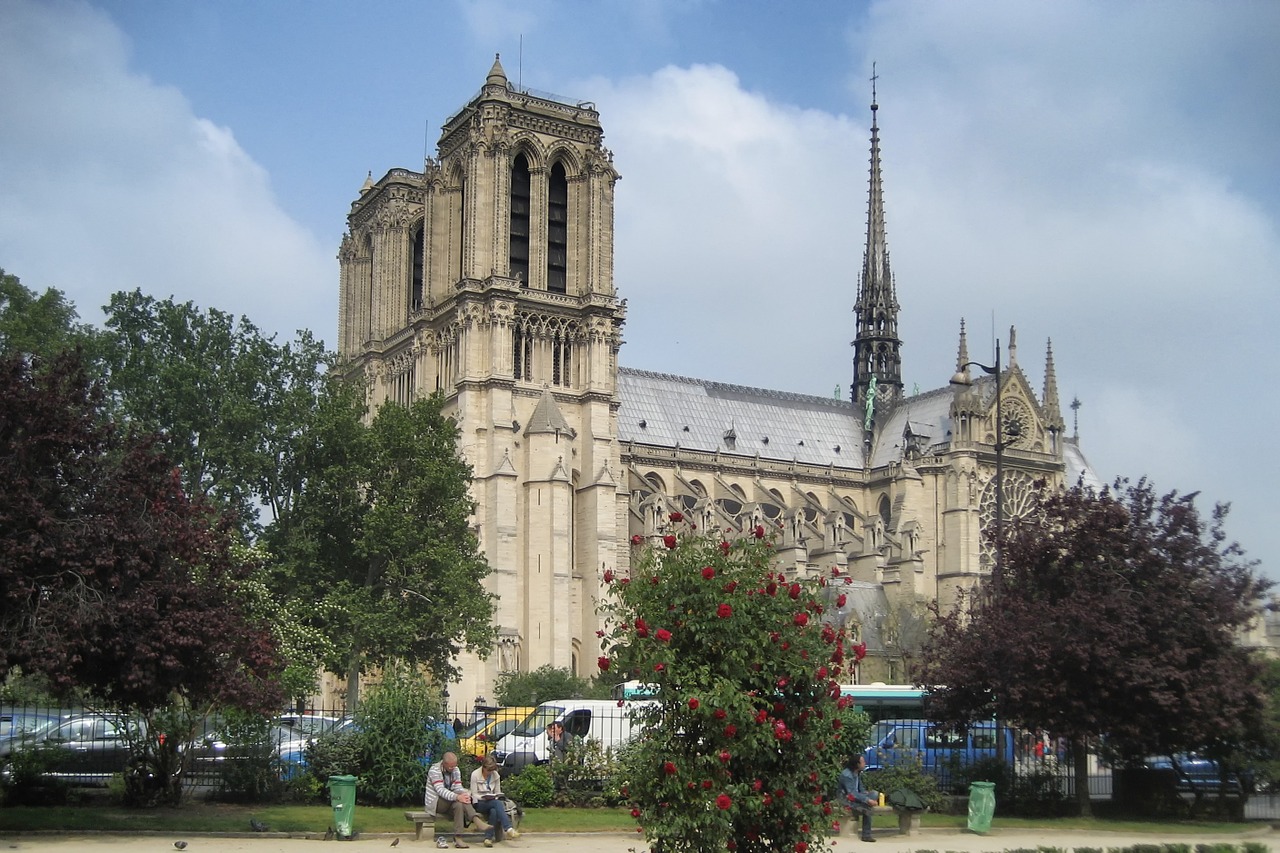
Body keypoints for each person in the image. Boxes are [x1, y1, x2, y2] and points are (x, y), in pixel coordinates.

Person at [426, 751, 490, 848]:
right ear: (444, 763)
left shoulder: (456, 769)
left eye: (454, 766)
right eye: (450, 767)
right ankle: (476, 820)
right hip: (436, 802)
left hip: (451, 801)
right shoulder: (434, 770)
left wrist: (466, 794)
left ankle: (458, 838)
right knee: (459, 800)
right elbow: (440, 790)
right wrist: (457, 797)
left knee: (459, 804)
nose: (453, 768)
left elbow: (457, 787)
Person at [470, 755, 519, 847]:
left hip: (492, 802)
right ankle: (508, 828)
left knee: (494, 811)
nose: (490, 772)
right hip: (479, 803)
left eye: (492, 770)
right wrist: (483, 797)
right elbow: (474, 794)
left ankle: (488, 838)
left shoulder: (495, 775)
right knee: (496, 804)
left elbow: (497, 792)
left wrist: (495, 796)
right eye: (488, 770)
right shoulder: (475, 774)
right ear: (483, 767)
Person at [837, 754, 879, 843]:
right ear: (857, 764)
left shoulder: (857, 772)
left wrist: (866, 794)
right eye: (863, 762)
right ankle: (866, 835)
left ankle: (866, 803)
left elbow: (861, 788)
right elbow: (851, 793)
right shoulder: (847, 775)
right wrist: (867, 800)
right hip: (847, 799)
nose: (865, 763)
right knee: (867, 807)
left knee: (874, 793)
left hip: (856, 797)